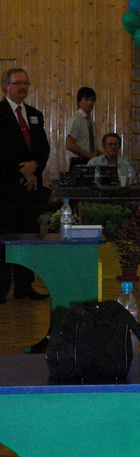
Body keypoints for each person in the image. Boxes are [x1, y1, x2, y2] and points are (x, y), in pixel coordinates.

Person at [0, 68, 50, 301]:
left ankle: (24, 286)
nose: (23, 88)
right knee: (4, 239)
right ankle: (1, 288)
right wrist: (23, 172)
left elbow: (44, 148)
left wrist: (35, 166)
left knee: (28, 238)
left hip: (30, 191)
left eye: (26, 84)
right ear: (6, 86)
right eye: (18, 83)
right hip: (6, 188)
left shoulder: (34, 115)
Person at [66, 86, 99, 166]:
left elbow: (87, 146)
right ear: (79, 101)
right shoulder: (75, 119)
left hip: (90, 161)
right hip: (79, 162)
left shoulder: (90, 122)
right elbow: (70, 145)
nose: (89, 103)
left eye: (92, 100)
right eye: (86, 100)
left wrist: (101, 156)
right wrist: (90, 156)